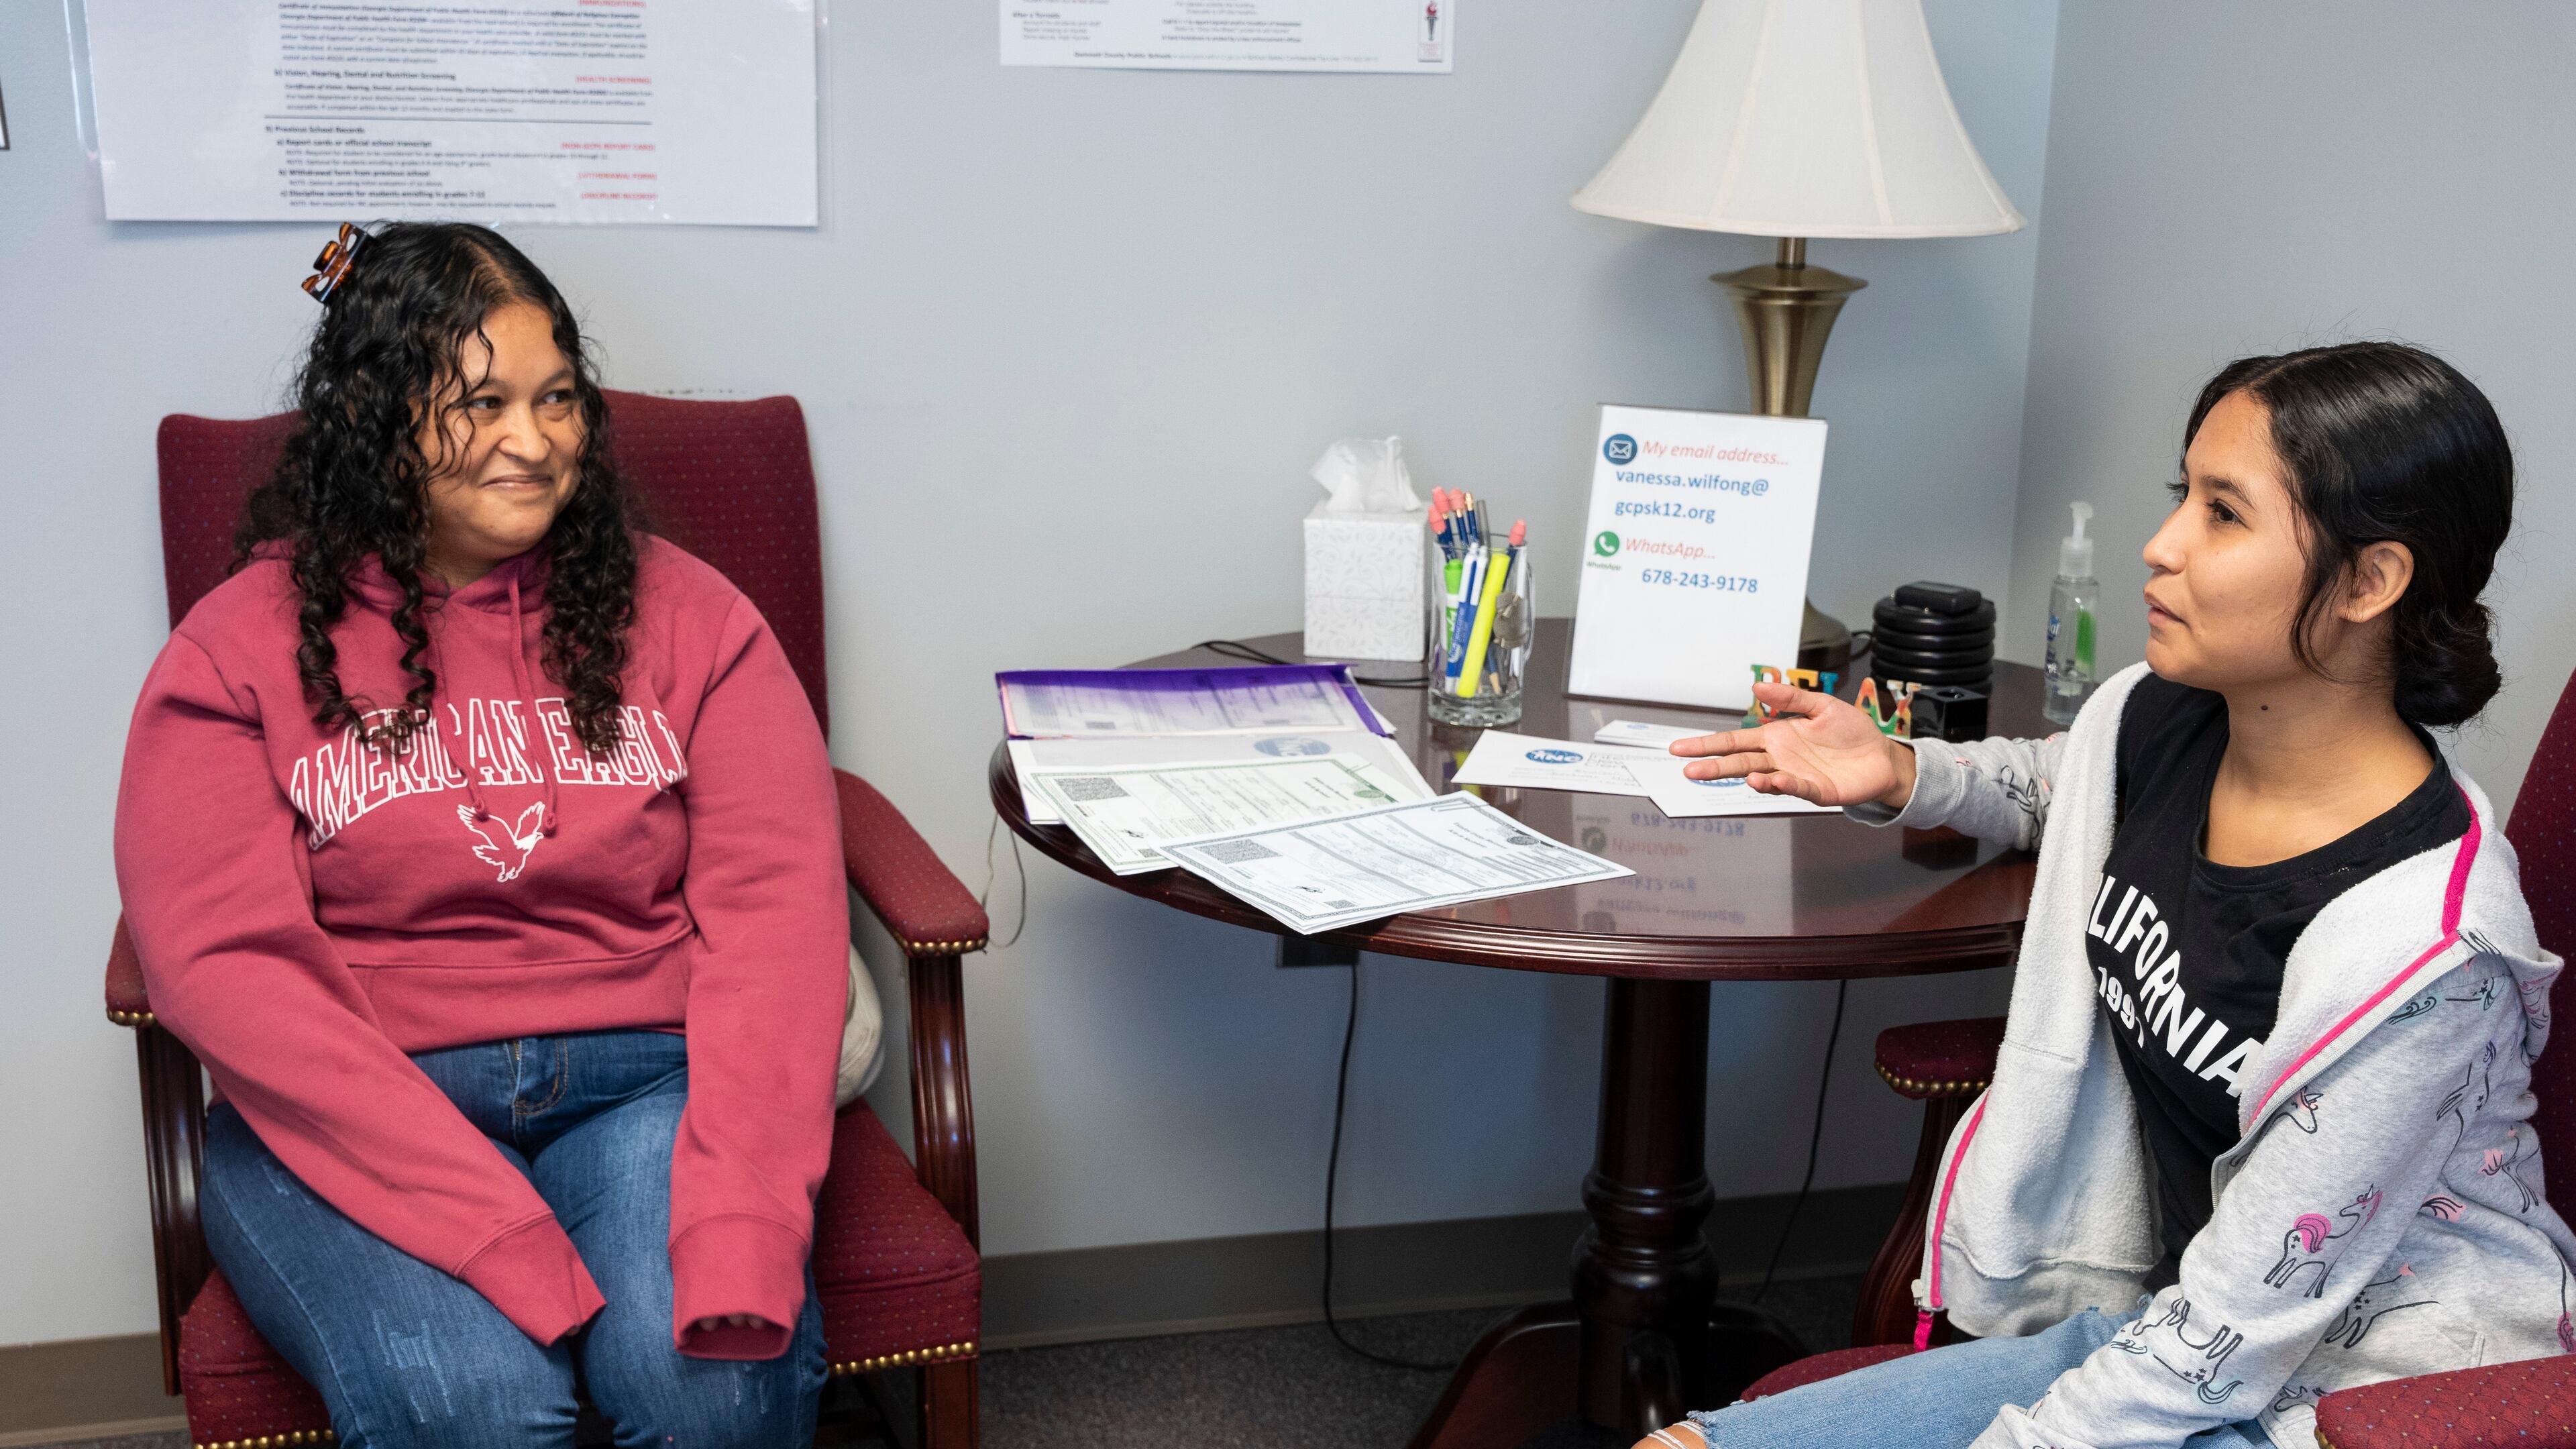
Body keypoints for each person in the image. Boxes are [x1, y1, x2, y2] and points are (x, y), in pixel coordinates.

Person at [1640, 342, 2576, 1449]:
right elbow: (2060, 784)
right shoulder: (2163, 718)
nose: (2162, 546)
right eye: (2184, 495)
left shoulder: (2428, 954)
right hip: (2167, 1332)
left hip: (2355, 1400)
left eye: (2224, 515)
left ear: (2372, 581)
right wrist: (1902, 773)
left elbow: (2242, 1328)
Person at [113, 222, 847, 1447]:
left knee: (712, 1383)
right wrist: (489, 1227)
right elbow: (223, 967)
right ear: (376, 417)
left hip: (649, 1087)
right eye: (483, 402)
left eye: (558, 397)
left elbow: (779, 926)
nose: (536, 439)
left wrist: (736, 1219)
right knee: (482, 1413)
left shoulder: (696, 619)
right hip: (354, 1107)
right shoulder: (232, 653)